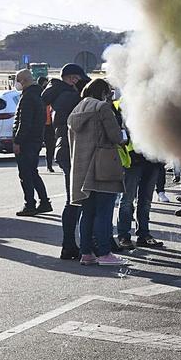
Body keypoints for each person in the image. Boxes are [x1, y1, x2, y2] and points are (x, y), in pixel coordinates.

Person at [67, 78, 130, 266]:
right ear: (103, 93)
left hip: (82, 167)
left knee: (88, 213)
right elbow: (116, 137)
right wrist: (124, 135)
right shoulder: (102, 108)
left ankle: (86, 253)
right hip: (103, 166)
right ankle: (104, 253)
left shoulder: (77, 109)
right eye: (109, 93)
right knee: (104, 211)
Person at [42, 63, 88, 259]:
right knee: (77, 200)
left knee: (74, 199)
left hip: (65, 149)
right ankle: (72, 244)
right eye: (81, 79)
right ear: (73, 78)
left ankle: (69, 244)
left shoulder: (57, 94)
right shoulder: (70, 96)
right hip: (73, 150)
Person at [114, 98, 165, 249]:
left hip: (152, 159)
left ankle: (143, 234)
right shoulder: (122, 104)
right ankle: (124, 236)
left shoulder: (156, 102)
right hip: (132, 160)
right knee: (127, 201)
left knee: (145, 201)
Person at [12, 69, 52, 216]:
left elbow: (25, 122)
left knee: (26, 174)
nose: (16, 84)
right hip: (35, 140)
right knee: (33, 173)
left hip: (27, 142)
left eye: (17, 80)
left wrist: (17, 141)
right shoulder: (38, 94)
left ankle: (30, 204)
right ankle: (44, 201)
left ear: (23, 81)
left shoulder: (28, 97)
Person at [40, 76, 57, 173]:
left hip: (50, 125)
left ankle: (49, 165)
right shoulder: (40, 97)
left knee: (50, 146)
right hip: (42, 125)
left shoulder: (52, 96)